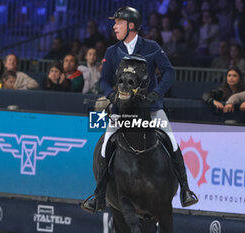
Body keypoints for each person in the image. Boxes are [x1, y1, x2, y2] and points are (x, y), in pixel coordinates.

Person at [81, 6, 198, 214]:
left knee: (171, 140)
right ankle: (98, 194)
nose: (114, 26)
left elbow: (169, 72)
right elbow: (105, 81)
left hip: (150, 109)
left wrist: (158, 93)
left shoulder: (151, 47)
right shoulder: (111, 51)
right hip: (121, 111)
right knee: (106, 143)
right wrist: (110, 95)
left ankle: (185, 190)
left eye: (118, 22)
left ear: (131, 25)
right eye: (115, 23)